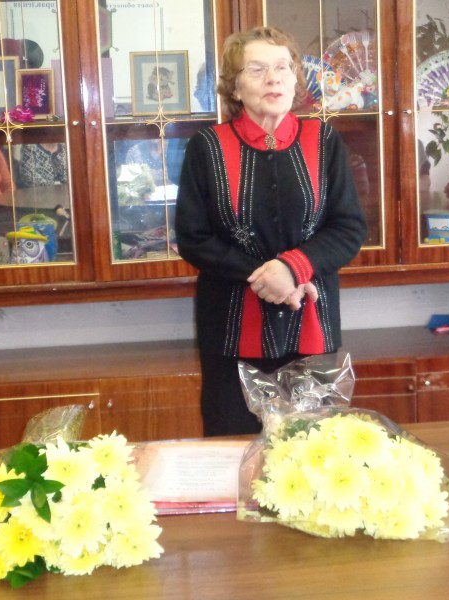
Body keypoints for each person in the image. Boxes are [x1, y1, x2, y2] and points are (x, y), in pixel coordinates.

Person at [175, 26, 367, 436]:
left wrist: (293, 268)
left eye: (282, 67)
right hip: (231, 329)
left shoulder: (324, 141)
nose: (273, 78)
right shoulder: (207, 147)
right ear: (234, 86)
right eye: (257, 69)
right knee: (233, 445)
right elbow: (193, 237)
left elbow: (348, 227)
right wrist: (269, 277)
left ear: (295, 80)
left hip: (311, 320)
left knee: (311, 450)